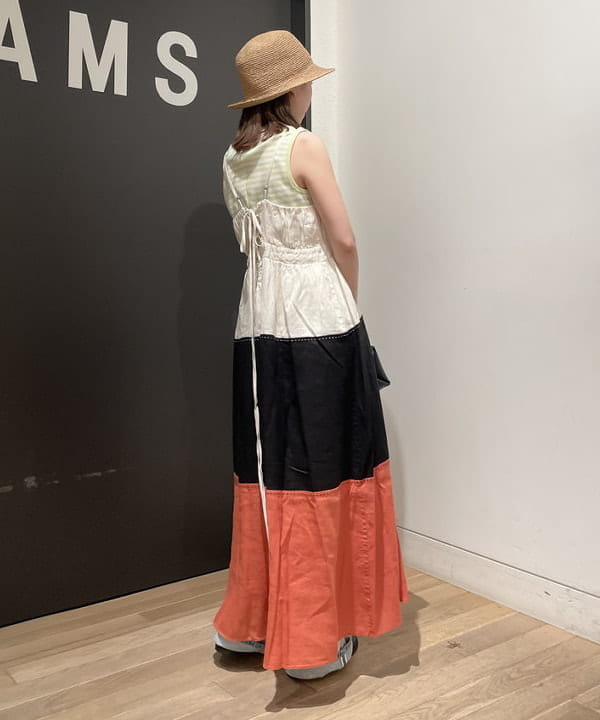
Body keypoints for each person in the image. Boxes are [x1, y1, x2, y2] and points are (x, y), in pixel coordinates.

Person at [212, 29, 409, 681]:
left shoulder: (232, 159)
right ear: (293, 87)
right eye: (307, 81)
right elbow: (343, 238)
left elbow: (250, 246)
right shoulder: (304, 146)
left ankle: (252, 624)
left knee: (267, 468)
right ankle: (313, 644)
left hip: (255, 323)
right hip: (317, 316)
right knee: (325, 468)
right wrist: (348, 301)